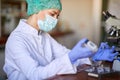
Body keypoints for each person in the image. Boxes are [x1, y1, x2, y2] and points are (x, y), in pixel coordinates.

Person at [3, 0, 118, 80]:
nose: (55, 20)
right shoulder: (16, 40)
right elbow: (35, 75)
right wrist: (72, 56)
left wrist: (93, 56)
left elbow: (66, 55)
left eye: (57, 16)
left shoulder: (43, 35)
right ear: (37, 9)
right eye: (52, 14)